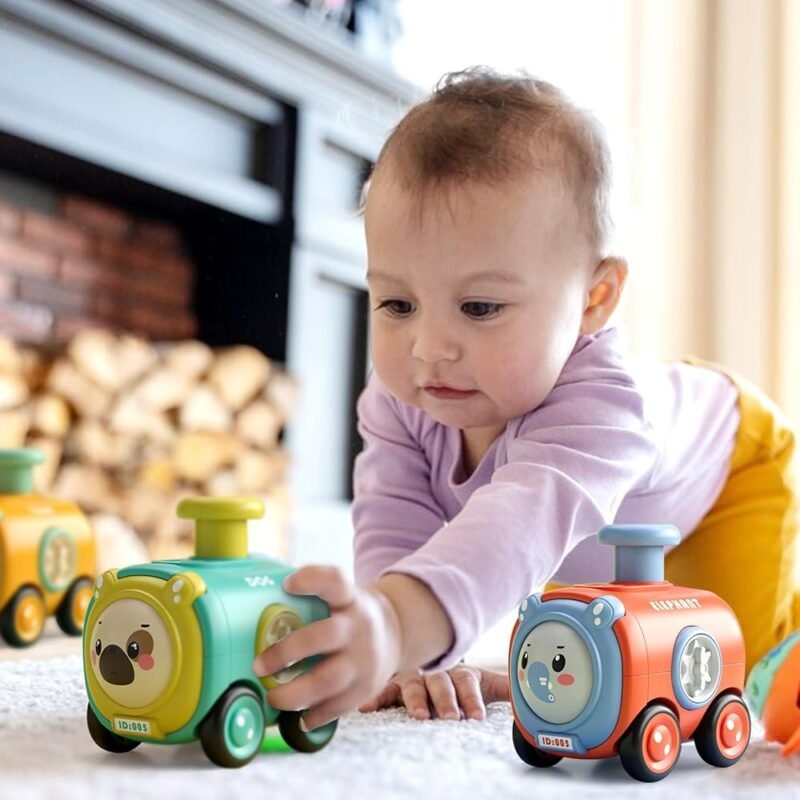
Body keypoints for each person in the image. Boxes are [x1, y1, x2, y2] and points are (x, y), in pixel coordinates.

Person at [253, 67, 799, 732]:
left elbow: (521, 520)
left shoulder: (603, 407)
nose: (428, 347)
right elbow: (397, 518)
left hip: (726, 476)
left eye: (479, 306)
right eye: (397, 302)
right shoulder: (403, 397)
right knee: (585, 670)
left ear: (593, 300)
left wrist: (398, 622)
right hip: (591, 531)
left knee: (730, 685)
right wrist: (409, 651)